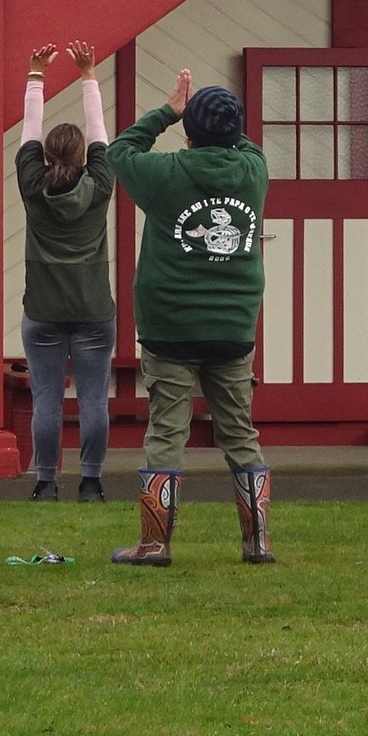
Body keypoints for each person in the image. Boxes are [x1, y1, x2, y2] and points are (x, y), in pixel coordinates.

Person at [105, 69, 273, 567]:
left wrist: (169, 111)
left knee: (166, 433)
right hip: (234, 327)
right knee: (240, 432)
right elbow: (238, 140)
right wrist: (216, 118)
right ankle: (257, 541)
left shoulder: (164, 174)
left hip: (169, 326)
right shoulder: (254, 170)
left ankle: (155, 544)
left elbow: (119, 151)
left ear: (190, 130)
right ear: (236, 128)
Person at [16, 43, 115, 503]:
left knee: (46, 400)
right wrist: (88, 75)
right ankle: (91, 482)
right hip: (94, 308)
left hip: (42, 310)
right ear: (84, 159)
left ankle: (45, 482)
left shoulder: (32, 186)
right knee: (94, 398)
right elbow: (100, 134)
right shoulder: (99, 186)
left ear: (46, 156)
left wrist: (36, 75)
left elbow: (28, 134)